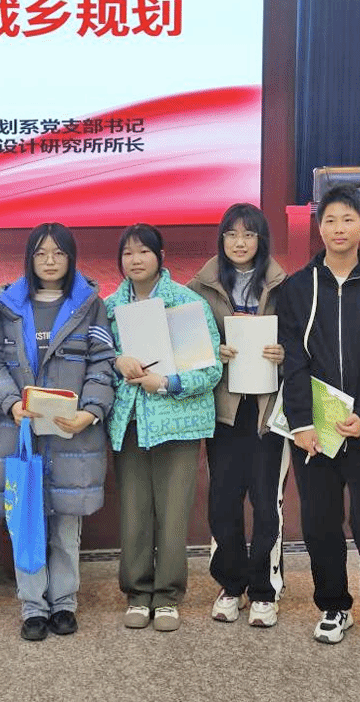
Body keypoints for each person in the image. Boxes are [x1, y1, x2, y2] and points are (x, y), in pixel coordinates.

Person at [275, 185, 360, 653]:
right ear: (319, 226)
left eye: (348, 219)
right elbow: (293, 360)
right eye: (330, 219)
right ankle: (333, 606)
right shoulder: (297, 288)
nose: (338, 228)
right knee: (321, 523)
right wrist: (302, 423)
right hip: (316, 430)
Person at [0, 223, 115, 641]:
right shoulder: (7, 306)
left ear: (71, 258)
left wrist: (90, 412)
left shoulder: (89, 306)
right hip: (19, 431)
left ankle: (64, 603)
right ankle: (32, 607)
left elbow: (102, 363)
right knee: (26, 521)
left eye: (58, 253)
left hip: (71, 433)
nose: (50, 261)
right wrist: (10, 403)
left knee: (64, 526)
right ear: (29, 259)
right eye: (41, 253)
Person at [106, 223, 221, 632]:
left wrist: (167, 383)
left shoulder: (186, 303)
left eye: (143, 251)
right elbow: (94, 361)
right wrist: (116, 360)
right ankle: (138, 593)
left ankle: (168, 596)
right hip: (131, 423)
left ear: (160, 257)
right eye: (128, 253)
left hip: (178, 424)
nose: (135, 260)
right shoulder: (109, 308)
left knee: (173, 513)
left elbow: (209, 370)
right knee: (135, 511)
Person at [187, 204, 290, 628]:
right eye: (231, 234)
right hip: (224, 411)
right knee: (224, 500)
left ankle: (264, 590)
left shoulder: (284, 285)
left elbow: (304, 343)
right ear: (221, 240)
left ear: (261, 240)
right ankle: (231, 585)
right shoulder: (199, 288)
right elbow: (187, 346)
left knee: (267, 503)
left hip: (267, 411)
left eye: (249, 234)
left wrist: (284, 354)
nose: (240, 242)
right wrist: (211, 351)